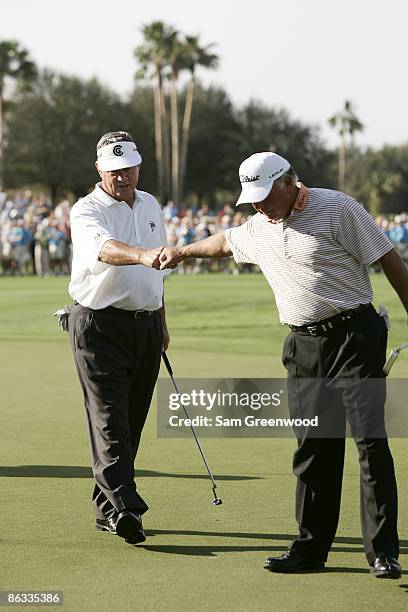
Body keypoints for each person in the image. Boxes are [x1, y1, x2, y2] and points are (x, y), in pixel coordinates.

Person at [159, 152, 408, 578]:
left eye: (263, 195)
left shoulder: (339, 208)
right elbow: (224, 242)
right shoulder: (259, 224)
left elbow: (388, 260)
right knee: (313, 448)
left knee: (369, 442)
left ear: (289, 182)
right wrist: (183, 252)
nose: (256, 205)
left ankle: (382, 552)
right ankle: (310, 550)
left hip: (354, 337)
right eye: (250, 198)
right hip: (303, 345)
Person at [68, 131, 168, 544]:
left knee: (131, 422)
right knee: (110, 418)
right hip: (99, 326)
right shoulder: (86, 209)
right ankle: (127, 507)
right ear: (99, 170)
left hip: (145, 325)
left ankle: (106, 508)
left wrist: (162, 320)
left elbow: (159, 269)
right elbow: (104, 249)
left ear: (139, 166)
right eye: (114, 170)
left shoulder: (150, 204)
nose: (122, 177)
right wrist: (142, 255)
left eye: (128, 168)